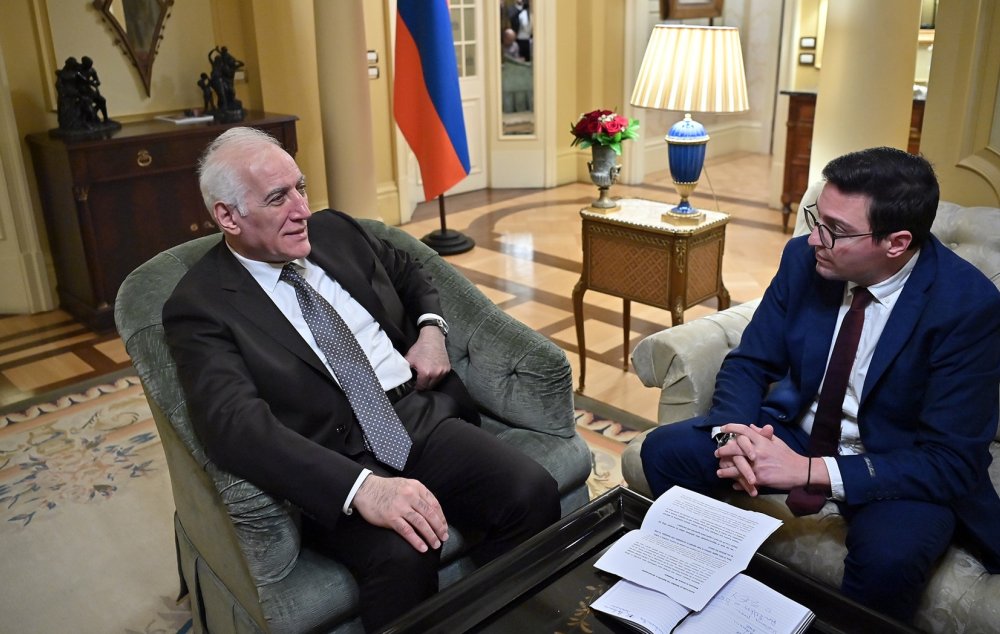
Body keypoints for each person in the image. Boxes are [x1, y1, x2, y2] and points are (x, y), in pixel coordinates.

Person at [162, 127, 560, 631]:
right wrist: (361, 489)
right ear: (228, 216)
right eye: (278, 198)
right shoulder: (200, 305)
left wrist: (431, 331)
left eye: (301, 187)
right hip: (334, 455)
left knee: (531, 491)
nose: (302, 209)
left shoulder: (335, 231)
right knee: (405, 553)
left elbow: (412, 271)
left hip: (414, 414)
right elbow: (233, 426)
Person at [640, 146, 1000, 623]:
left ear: (896, 243)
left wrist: (807, 471)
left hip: (895, 459)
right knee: (665, 450)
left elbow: (950, 461)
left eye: (835, 230)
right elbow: (750, 362)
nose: (814, 238)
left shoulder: (967, 306)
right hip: (796, 427)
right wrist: (733, 436)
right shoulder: (803, 260)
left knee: (889, 558)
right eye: (817, 218)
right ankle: (708, 597)